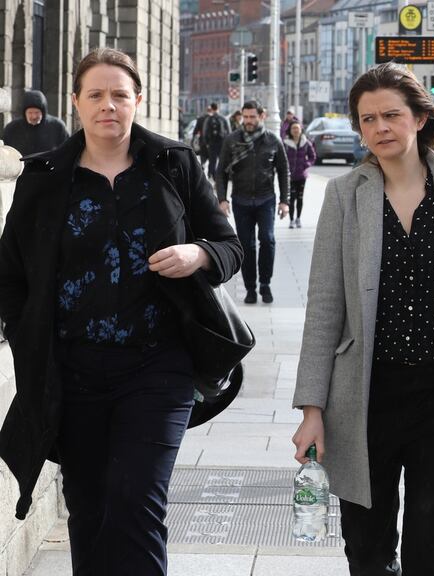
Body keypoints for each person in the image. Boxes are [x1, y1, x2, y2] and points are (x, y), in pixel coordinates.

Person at [0, 47, 242, 575]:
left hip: (158, 367)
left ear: (139, 99)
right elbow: (11, 276)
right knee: (89, 509)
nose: (108, 105)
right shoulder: (43, 177)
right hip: (73, 372)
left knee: (136, 500)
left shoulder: (172, 164)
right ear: (77, 103)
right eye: (96, 95)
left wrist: (197, 253)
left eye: (119, 94)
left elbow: (229, 246)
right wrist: (26, 339)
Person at [290, 62, 434, 576]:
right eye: (367, 119)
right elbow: (323, 311)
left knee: (431, 549)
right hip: (366, 395)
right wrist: (311, 408)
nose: (379, 128)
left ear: (421, 118)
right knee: (367, 548)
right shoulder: (344, 196)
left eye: (391, 115)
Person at [215, 100, 290, 304]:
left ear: (261, 116)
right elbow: (220, 172)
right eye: (245, 117)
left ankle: (265, 284)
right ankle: (250, 288)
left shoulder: (273, 140)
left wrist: (285, 201)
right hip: (241, 201)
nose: (248, 121)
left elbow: (284, 172)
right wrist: (222, 199)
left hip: (266, 199)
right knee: (246, 246)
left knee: (267, 239)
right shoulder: (232, 141)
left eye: (252, 117)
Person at [1, 89, 70, 157]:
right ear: (24, 113)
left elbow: (67, 150)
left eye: (37, 112)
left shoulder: (57, 126)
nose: (34, 116)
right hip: (22, 167)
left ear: (43, 112)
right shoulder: (12, 129)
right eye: (30, 113)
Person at [283, 121, 316, 229]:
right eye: (293, 128)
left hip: (301, 176)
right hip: (290, 176)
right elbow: (281, 158)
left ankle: (298, 219)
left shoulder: (306, 143)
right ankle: (291, 220)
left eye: (297, 128)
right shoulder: (285, 143)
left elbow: (313, 157)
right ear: (290, 130)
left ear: (301, 129)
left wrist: (305, 164)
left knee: (300, 198)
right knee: (291, 198)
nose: (296, 130)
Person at [202, 102, 229, 180]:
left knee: (212, 160)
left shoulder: (208, 119)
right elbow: (229, 131)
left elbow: (205, 131)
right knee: (221, 160)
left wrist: (206, 142)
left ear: (212, 109)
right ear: (218, 108)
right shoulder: (223, 118)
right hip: (222, 143)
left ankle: (211, 174)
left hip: (212, 143)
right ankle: (220, 175)